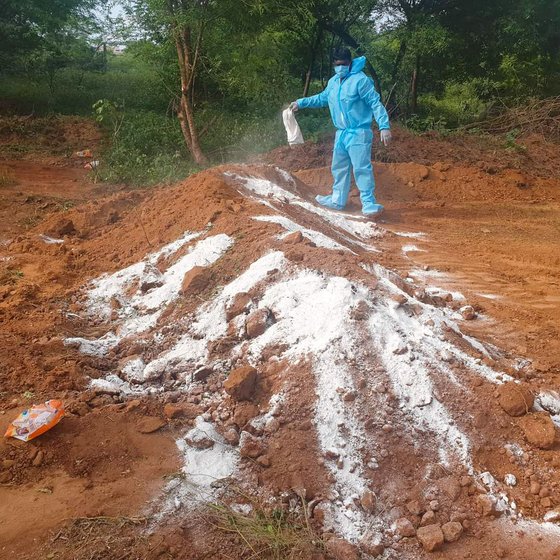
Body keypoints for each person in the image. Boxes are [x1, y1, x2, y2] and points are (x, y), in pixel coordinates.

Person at [290, 47, 391, 216]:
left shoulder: (360, 80)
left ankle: (368, 203)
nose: (341, 67)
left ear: (350, 63)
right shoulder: (333, 82)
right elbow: (322, 98)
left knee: (361, 168)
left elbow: (375, 102)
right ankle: (338, 200)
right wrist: (301, 103)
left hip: (359, 132)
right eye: (338, 64)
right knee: (339, 167)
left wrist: (384, 125)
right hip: (342, 133)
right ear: (334, 65)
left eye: (344, 64)